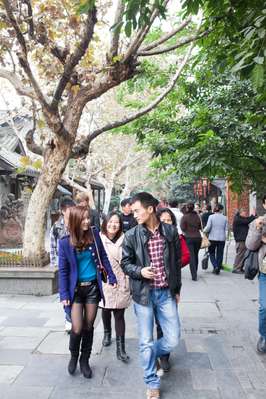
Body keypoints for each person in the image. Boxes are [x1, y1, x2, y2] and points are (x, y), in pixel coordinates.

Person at [121, 192, 181, 399]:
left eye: (137, 210)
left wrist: (177, 289)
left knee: (172, 339)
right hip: (144, 295)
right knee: (145, 341)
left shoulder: (170, 232)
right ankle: (152, 383)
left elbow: (175, 262)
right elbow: (125, 264)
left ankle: (149, 353)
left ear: (150, 209)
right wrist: (140, 272)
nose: (133, 214)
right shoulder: (131, 235)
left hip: (165, 293)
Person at [58, 206, 117, 378]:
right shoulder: (64, 242)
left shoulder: (94, 235)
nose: (87, 221)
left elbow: (103, 257)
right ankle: (73, 356)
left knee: (88, 326)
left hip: (92, 288)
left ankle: (85, 360)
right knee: (76, 328)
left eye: (88, 218)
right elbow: (63, 271)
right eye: (83, 219)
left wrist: (111, 277)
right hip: (75, 290)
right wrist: (63, 295)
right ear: (75, 220)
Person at [99, 211, 131, 362]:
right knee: (106, 309)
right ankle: (107, 332)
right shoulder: (98, 239)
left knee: (119, 314)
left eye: (116, 222)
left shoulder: (126, 239)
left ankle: (121, 349)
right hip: (105, 280)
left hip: (122, 280)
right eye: (110, 222)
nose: (113, 225)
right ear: (105, 223)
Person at [50, 197, 75, 332]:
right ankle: (68, 318)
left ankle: (73, 317)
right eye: (69, 210)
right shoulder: (56, 227)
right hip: (63, 266)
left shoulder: (76, 224)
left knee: (74, 292)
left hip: (75, 265)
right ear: (63, 211)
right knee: (64, 293)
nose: (72, 212)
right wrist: (55, 263)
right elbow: (52, 245)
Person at [246, 195, 266, 353]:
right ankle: (264, 335)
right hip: (265, 272)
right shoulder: (257, 222)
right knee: (264, 307)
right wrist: (259, 229)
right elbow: (251, 245)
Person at [204, 203, 228, 275]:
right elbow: (226, 229)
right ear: (221, 210)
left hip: (212, 238)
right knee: (220, 253)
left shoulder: (211, 217)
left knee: (211, 252)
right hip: (221, 238)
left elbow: (208, 227)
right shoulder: (225, 218)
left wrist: (204, 231)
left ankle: (215, 266)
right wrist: (226, 237)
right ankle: (218, 266)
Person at [180, 202, 202, 281]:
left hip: (189, 237)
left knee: (191, 256)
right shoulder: (197, 216)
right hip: (198, 237)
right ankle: (195, 271)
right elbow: (200, 227)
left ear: (187, 208)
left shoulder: (185, 217)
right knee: (196, 255)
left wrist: (187, 230)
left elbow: (182, 227)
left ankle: (194, 275)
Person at [232, 208, 256, 274]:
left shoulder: (240, 218)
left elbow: (247, 219)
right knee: (240, 255)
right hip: (241, 240)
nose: (246, 214)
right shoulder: (238, 219)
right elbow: (248, 220)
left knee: (243, 255)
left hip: (243, 240)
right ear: (240, 213)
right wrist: (253, 215)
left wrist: (253, 216)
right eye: (244, 212)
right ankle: (236, 268)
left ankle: (240, 267)